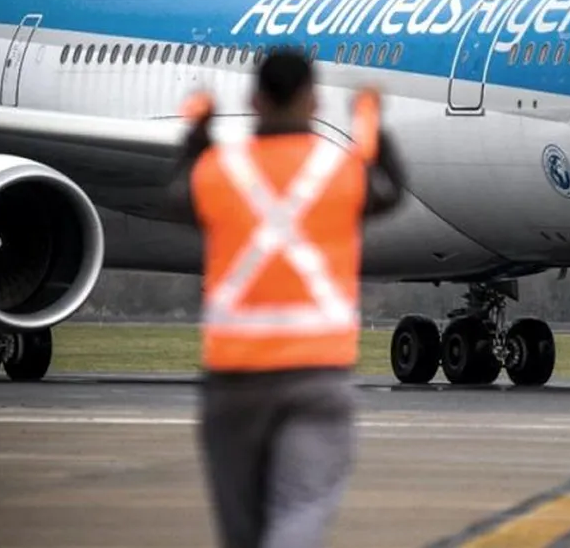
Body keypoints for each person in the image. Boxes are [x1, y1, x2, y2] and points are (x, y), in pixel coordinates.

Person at [167, 46, 405, 548]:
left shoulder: (220, 170)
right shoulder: (338, 171)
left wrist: (196, 133)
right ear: (313, 101)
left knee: (241, 529)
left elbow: (181, 195)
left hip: (234, 383)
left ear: (254, 101)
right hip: (317, 375)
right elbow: (390, 189)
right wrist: (372, 125)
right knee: (300, 509)